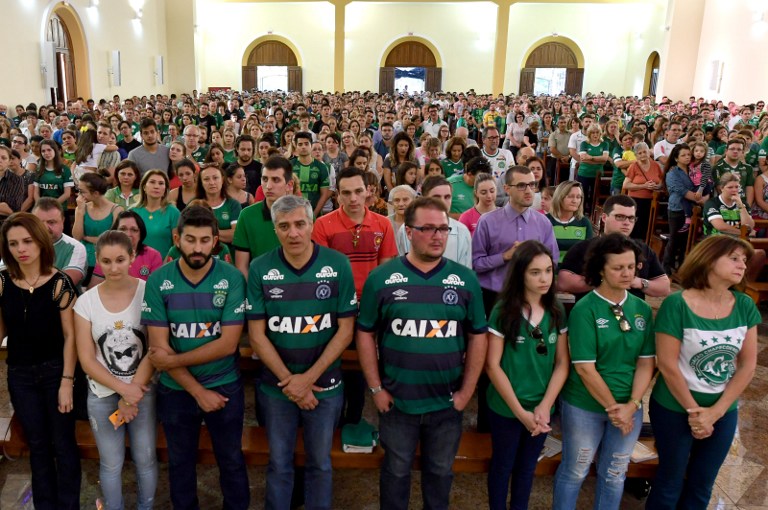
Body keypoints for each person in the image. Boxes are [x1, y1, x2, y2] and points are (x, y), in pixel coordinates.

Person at [356, 197, 488, 510]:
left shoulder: (466, 280)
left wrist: (467, 392)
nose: (437, 235)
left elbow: (478, 337)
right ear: (409, 231)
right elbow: (364, 333)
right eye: (427, 228)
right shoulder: (382, 278)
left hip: (446, 404)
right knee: (396, 472)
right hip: (397, 403)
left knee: (440, 474)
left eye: (443, 228)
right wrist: (375, 389)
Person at [246, 195, 357, 510]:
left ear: (312, 224)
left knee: (320, 464)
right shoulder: (260, 268)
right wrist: (291, 382)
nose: (293, 233)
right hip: (277, 389)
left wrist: (307, 379)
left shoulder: (337, 265)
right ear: (275, 230)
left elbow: (345, 330)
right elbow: (257, 335)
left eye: (299, 224)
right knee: (279, 464)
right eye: (284, 226)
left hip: (325, 388)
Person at [142, 205, 250, 509]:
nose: (198, 248)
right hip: (177, 391)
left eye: (205, 240)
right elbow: (158, 347)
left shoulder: (231, 278)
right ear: (177, 238)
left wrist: (172, 363)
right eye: (190, 240)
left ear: (216, 240)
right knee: (180, 463)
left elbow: (228, 345)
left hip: (224, 385)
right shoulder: (159, 280)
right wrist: (197, 391)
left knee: (230, 460)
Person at [646, 236, 760, 509]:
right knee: (669, 481)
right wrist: (695, 413)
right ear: (708, 259)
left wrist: (715, 412)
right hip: (674, 406)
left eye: (744, 260)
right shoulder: (677, 304)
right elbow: (668, 364)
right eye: (733, 258)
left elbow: (747, 365)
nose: (742, 265)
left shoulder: (744, 305)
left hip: (722, 409)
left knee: (702, 482)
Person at [553, 234, 656, 510]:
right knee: (576, 470)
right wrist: (615, 408)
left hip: (628, 406)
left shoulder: (642, 310)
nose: (626, 273)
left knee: (614, 474)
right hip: (585, 406)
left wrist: (632, 404)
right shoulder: (585, 309)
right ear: (600, 268)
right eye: (617, 267)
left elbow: (646, 362)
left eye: (631, 267)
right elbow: (585, 369)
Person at [0, 212, 80, 509]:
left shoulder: (59, 283)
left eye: (27, 241)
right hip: (20, 375)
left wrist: (67, 382)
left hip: (56, 372)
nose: (21, 248)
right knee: (38, 445)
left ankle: (69, 505)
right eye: (13, 243)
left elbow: (71, 336)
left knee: (63, 444)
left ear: (40, 242)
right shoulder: (3, 283)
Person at [74, 230, 157, 510]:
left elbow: (153, 349)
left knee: (145, 459)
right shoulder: (86, 302)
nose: (113, 268)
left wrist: (132, 395)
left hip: (142, 389)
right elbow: (87, 358)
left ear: (133, 257)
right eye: (106, 261)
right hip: (102, 394)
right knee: (111, 463)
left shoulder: (149, 291)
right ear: (97, 261)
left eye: (120, 259)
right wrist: (124, 392)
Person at [486, 240, 570, 510]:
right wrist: (521, 413)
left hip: (541, 409)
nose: (544, 278)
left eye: (548, 270)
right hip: (507, 408)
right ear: (520, 273)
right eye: (535, 272)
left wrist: (544, 406)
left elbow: (562, 364)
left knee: (526, 469)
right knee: (502, 467)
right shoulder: (503, 311)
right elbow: (492, 365)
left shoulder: (557, 309)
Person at [312, 166, 398, 425]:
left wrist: (370, 306)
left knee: (360, 368)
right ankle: (332, 420)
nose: (352, 198)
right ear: (337, 195)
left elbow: (384, 272)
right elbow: (323, 273)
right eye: (346, 193)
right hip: (335, 309)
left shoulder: (383, 224)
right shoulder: (322, 224)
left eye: (358, 191)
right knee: (332, 365)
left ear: (368, 192)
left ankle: (353, 419)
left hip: (369, 309)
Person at [557, 194, 670, 301]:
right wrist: (604, 280)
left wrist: (638, 282)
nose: (626, 223)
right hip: (592, 310)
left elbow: (664, 287)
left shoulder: (643, 250)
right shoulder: (583, 247)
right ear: (605, 217)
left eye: (631, 218)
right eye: (620, 217)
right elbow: (563, 282)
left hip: (632, 313)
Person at [233, 155, 295, 278]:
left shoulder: (303, 214)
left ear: (289, 185)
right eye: (265, 179)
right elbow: (242, 266)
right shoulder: (247, 215)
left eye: (275, 180)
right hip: (260, 288)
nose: (268, 186)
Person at [396, 175, 473, 268]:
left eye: (447, 197)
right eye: (436, 197)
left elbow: (465, 270)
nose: (442, 202)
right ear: (424, 198)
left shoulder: (462, 231)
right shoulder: (407, 229)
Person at [88, 211, 164, 287]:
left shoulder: (153, 255)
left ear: (141, 233)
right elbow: (94, 289)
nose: (128, 234)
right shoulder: (106, 254)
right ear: (115, 231)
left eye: (134, 230)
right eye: (123, 229)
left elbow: (157, 289)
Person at [72, 172, 123, 283]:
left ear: (95, 193)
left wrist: (87, 238)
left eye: (82, 192)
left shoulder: (116, 210)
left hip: (106, 261)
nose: (79, 195)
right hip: (84, 260)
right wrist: (80, 212)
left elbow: (113, 239)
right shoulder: (82, 208)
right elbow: (77, 236)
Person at [32, 198, 87, 286]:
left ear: (63, 221)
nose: (45, 228)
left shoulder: (75, 247)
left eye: (51, 222)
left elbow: (66, 284)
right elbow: (4, 277)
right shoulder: (19, 244)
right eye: (39, 222)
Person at [132, 169, 181, 258]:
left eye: (161, 183)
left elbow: (177, 245)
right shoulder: (132, 211)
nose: (156, 186)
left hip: (164, 266)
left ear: (165, 189)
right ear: (144, 187)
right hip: (135, 265)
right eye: (152, 182)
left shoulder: (173, 212)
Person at [622, 141, 663, 240]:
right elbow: (626, 184)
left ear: (649, 152)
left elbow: (661, 181)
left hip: (652, 201)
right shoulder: (633, 166)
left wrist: (657, 186)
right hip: (636, 201)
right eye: (639, 153)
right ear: (636, 155)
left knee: (647, 226)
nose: (643, 155)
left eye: (644, 152)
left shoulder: (656, 165)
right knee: (636, 227)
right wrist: (644, 186)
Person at [547, 180, 594, 263]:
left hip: (576, 272)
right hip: (550, 271)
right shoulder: (546, 221)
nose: (575, 201)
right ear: (559, 197)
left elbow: (589, 253)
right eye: (570, 196)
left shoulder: (584, 222)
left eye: (578, 197)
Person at [196, 164, 242, 244]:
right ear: (201, 183)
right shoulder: (194, 204)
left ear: (223, 179)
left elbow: (236, 234)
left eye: (215, 178)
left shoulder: (233, 204)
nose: (212, 182)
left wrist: (205, 232)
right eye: (206, 179)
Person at [481, 125, 515, 206]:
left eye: (497, 137)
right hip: (484, 198)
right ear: (483, 140)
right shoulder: (478, 155)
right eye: (491, 138)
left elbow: (512, 176)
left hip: (503, 197)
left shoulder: (507, 154)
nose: (495, 140)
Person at [459, 172, 497, 236]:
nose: (489, 196)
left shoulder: (505, 215)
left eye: (492, 191)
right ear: (476, 193)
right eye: (483, 192)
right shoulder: (466, 217)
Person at [0, 145, 25, 219]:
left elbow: (14, 209)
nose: (0, 160)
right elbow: (4, 207)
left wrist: (6, 208)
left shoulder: (17, 180)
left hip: (4, 224)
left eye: (4, 158)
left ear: (9, 161)